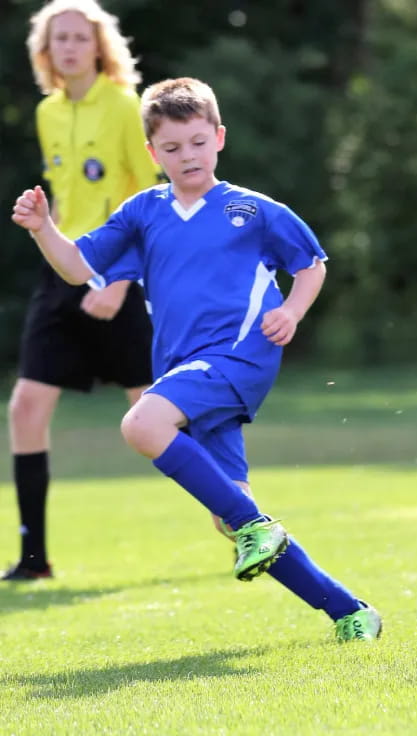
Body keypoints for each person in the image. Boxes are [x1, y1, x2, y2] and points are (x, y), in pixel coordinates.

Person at [10, 76, 382, 642]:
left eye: (198, 142)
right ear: (153, 153)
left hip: (239, 356)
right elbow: (77, 265)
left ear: (219, 138)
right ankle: (350, 612)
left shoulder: (251, 210)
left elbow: (312, 263)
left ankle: (254, 527)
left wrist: (295, 312)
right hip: (186, 374)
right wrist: (44, 230)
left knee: (141, 422)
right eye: (173, 147)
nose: (188, 156)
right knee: (231, 516)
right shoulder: (144, 213)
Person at [4, 0, 160, 581]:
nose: (69, 47)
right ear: (45, 50)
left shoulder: (125, 107)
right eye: (58, 38)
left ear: (99, 46)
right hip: (61, 274)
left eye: (79, 37)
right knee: (24, 408)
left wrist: (119, 281)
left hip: (119, 275)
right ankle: (33, 559)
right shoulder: (47, 112)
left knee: (158, 417)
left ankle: (239, 522)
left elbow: (151, 207)